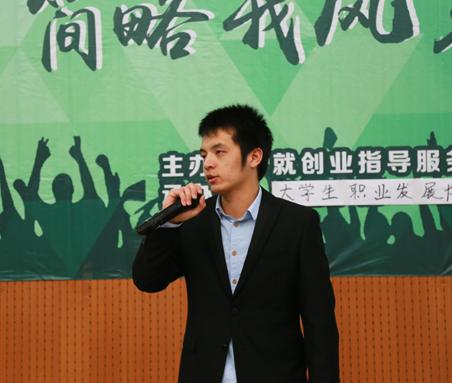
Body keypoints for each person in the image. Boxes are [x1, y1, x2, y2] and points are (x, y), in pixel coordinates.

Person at [133, 105, 339, 383]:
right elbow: (147, 280)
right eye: (204, 155)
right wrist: (170, 223)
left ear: (254, 156)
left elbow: (319, 322)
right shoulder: (192, 221)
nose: (208, 163)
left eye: (219, 152)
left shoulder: (297, 223)